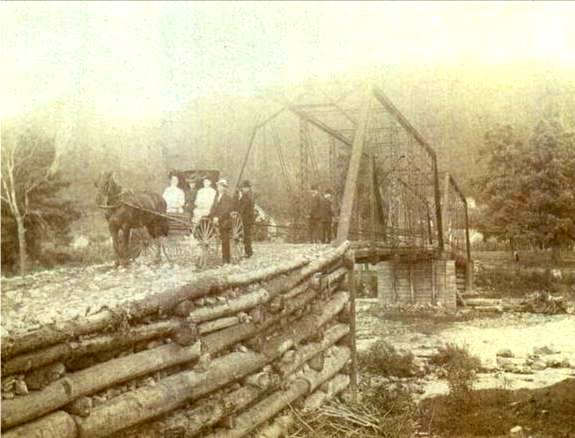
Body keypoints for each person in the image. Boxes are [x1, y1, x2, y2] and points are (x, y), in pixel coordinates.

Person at [209, 178, 236, 264]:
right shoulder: (216, 197)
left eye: (220, 186)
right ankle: (223, 259)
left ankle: (226, 260)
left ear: (224, 188)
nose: (218, 187)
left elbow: (226, 211)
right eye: (218, 185)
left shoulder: (228, 199)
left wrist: (218, 218)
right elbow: (213, 208)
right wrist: (212, 216)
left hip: (225, 221)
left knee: (225, 240)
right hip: (217, 220)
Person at [237, 180, 255, 258]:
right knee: (247, 236)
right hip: (248, 218)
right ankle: (249, 251)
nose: (243, 189)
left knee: (246, 236)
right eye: (243, 188)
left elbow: (243, 207)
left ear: (247, 188)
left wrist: (238, 214)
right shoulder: (249, 194)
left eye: (244, 188)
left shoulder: (247, 196)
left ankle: (248, 252)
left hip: (246, 218)